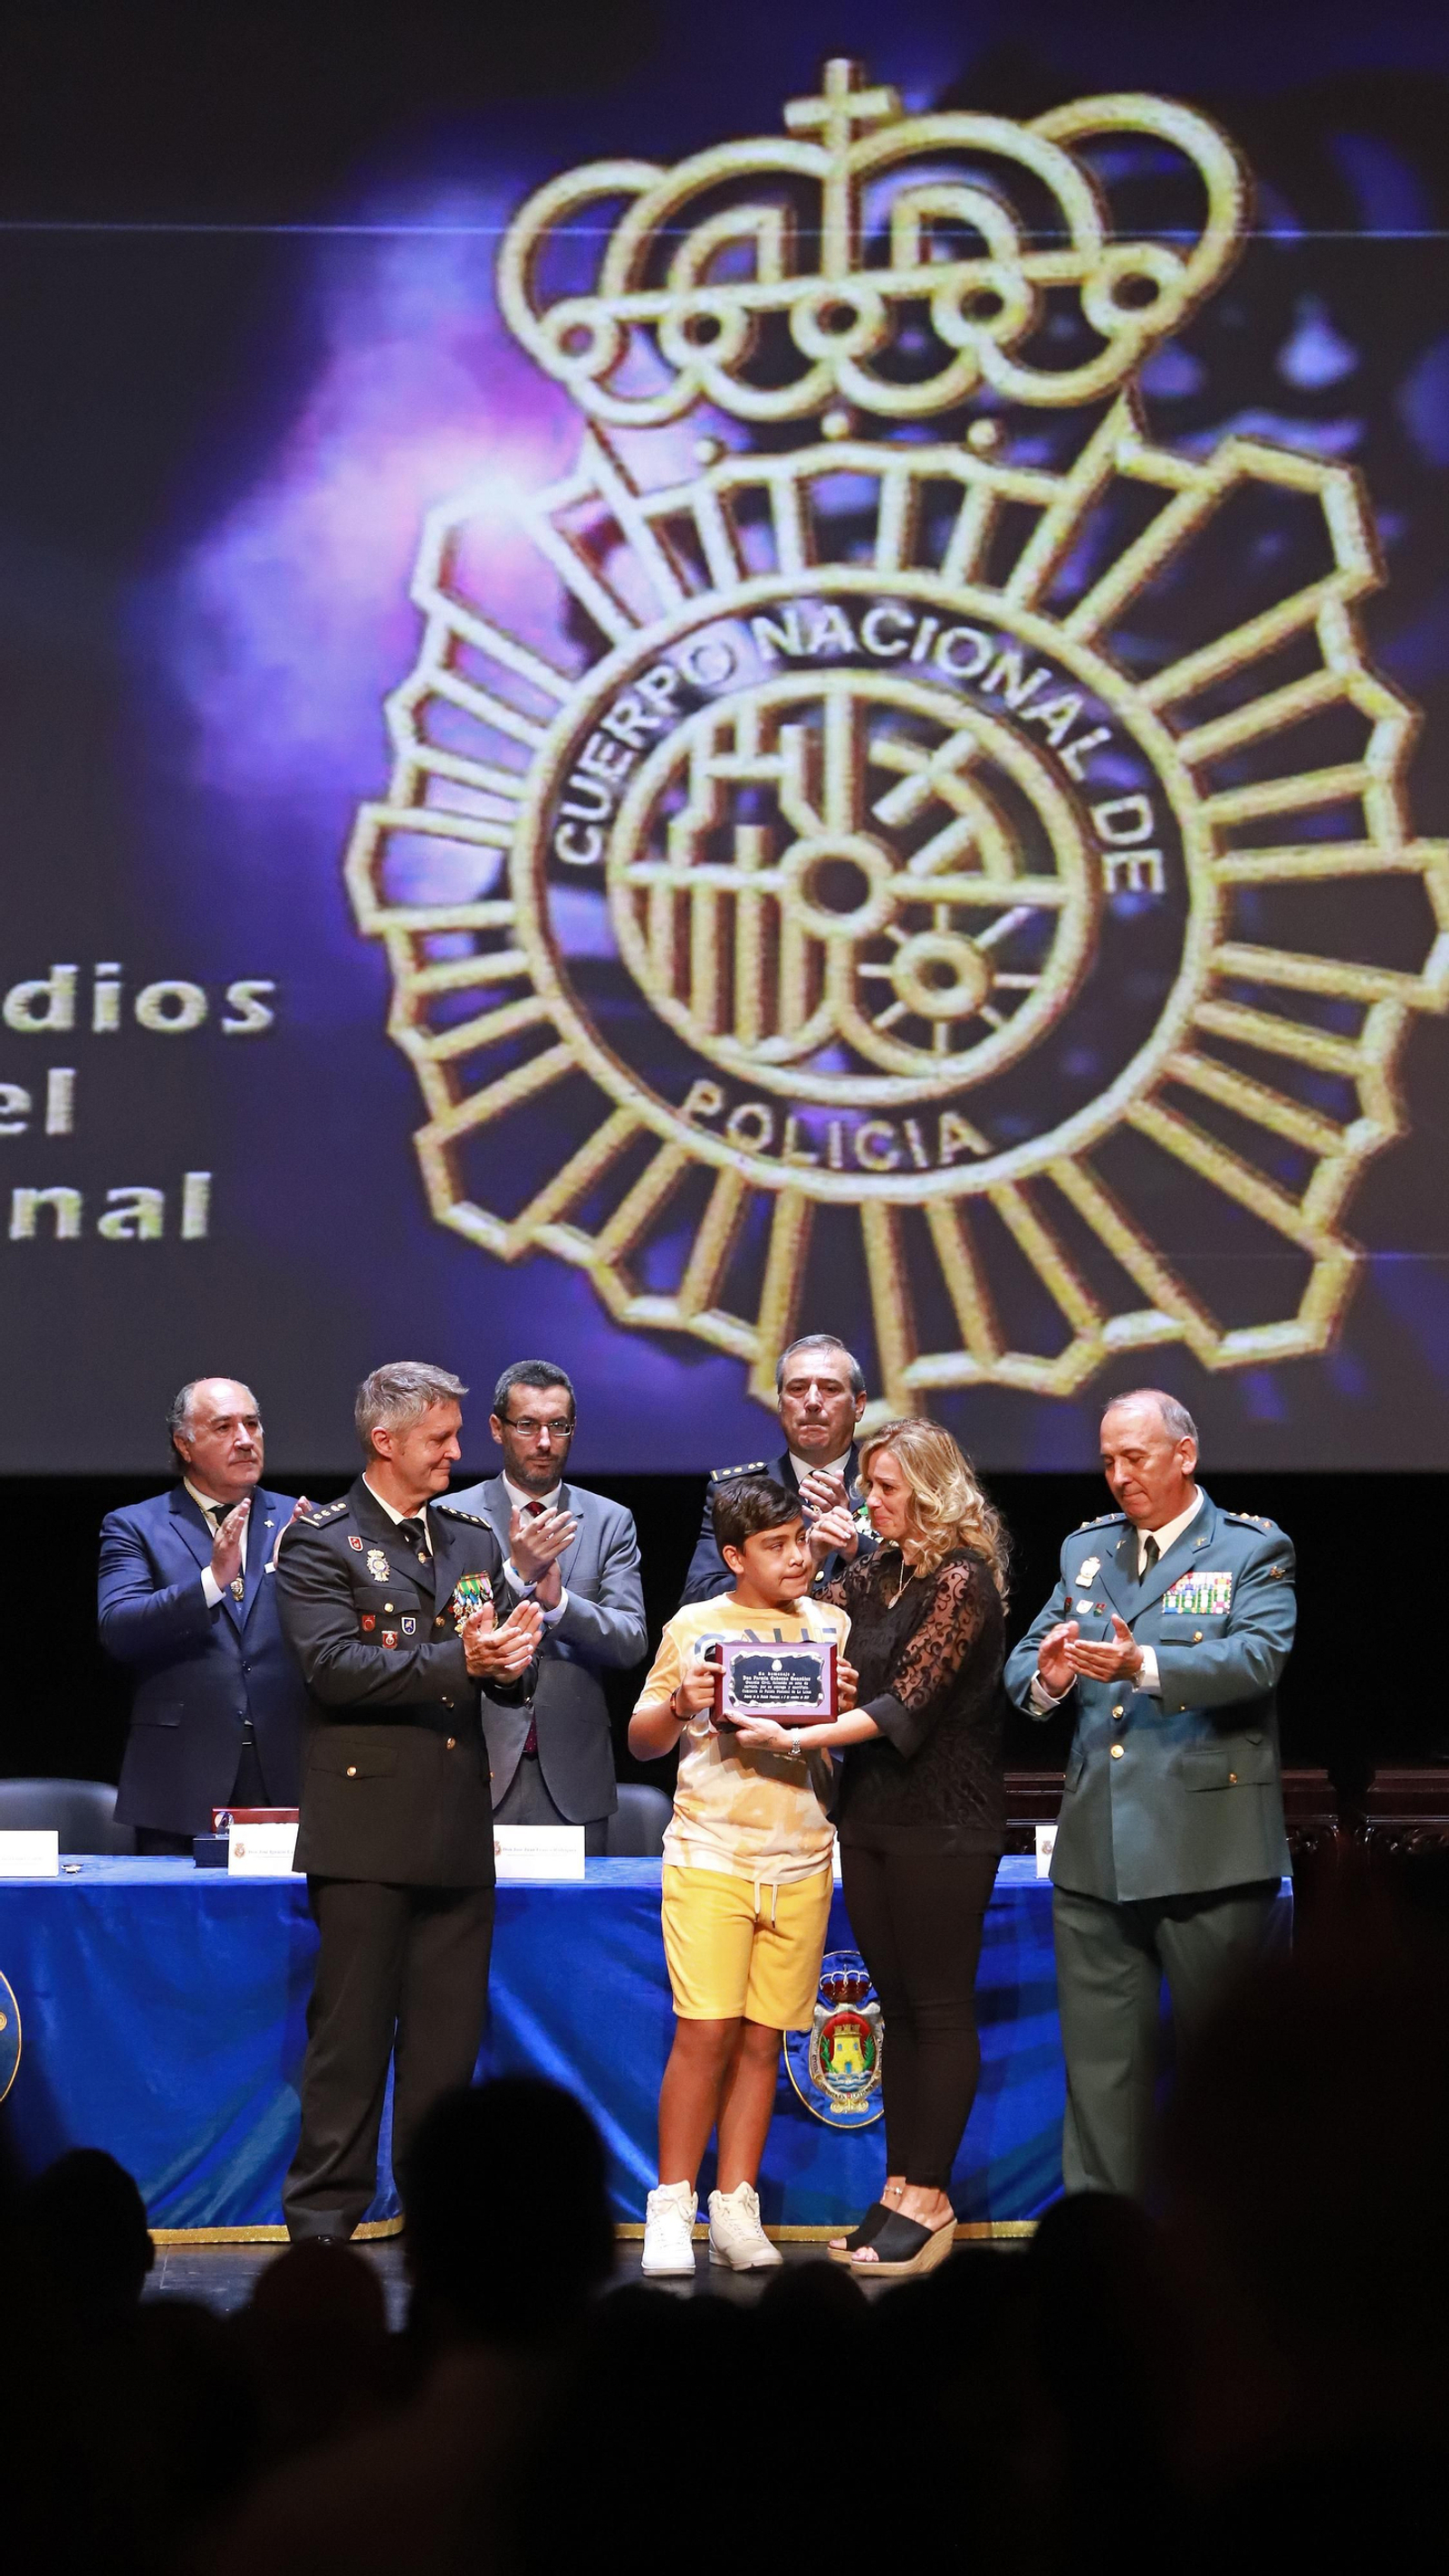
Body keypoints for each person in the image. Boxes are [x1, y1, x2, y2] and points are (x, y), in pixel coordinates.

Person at [273, 1362, 547, 2243]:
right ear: (384, 1440)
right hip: (364, 1833)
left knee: (445, 2051)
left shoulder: (469, 1541)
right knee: (348, 2044)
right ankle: (323, 2226)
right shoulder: (320, 1542)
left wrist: (512, 1664)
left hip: (459, 1830)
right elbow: (333, 1668)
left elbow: (495, 1667)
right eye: (441, 1437)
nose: (457, 1452)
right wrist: (463, 1661)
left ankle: (443, 2224)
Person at [1003, 1387, 1295, 2199]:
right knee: (1101, 2075)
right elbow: (1025, 1668)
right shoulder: (1087, 1551)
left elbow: (1258, 1658)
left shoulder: (1249, 1549)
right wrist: (1051, 1675)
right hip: (1097, 1850)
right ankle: (1102, 2244)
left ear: (1184, 1455)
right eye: (1108, 1461)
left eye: (1135, 1457)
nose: (1119, 1476)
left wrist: (1143, 1665)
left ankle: (1238, 2247)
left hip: (1209, 1849)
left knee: (1229, 2074)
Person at [735, 1420, 1008, 2276]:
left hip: (945, 1820)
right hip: (872, 1815)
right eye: (869, 1485)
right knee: (899, 2008)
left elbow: (907, 1705)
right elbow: (805, 1619)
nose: (870, 1500)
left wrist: (797, 1737)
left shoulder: (962, 1578)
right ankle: (897, 2186)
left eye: (886, 1487)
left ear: (929, 1490)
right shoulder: (877, 1572)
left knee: (939, 2006)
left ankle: (931, 2197)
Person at [629, 1475, 857, 2277]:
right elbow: (643, 1738)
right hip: (713, 1854)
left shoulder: (831, 1624)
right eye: (775, 1545)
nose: (798, 1557)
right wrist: (680, 1703)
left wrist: (843, 1707)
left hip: (802, 1856)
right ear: (734, 1556)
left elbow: (840, 1740)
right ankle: (672, 2205)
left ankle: (735, 2205)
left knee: (765, 2039)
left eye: (802, 1540)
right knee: (706, 2030)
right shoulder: (696, 1626)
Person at [97, 1377, 307, 1853]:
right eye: (224, 1427)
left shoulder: (302, 1520)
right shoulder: (136, 1526)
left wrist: (309, 1579)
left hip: (288, 1770)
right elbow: (119, 1627)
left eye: (252, 1424)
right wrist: (211, 1581)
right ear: (184, 1444)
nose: (245, 1439)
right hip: (181, 1776)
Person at [448, 1360, 646, 1854]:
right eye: (527, 1425)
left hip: (574, 1776)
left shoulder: (609, 1521)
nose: (544, 1441)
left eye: (558, 1426)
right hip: (477, 1766)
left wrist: (560, 1605)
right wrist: (516, 1576)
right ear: (497, 1429)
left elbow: (630, 1640)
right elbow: (453, 1632)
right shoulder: (454, 1517)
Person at [679, 1333, 878, 1604]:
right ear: (780, 1404)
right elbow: (698, 1596)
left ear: (859, 1405)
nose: (812, 1402)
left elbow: (923, 1588)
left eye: (830, 1389)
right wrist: (804, 1562)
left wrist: (855, 1547)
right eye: (797, 1389)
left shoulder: (890, 1488)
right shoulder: (737, 1491)